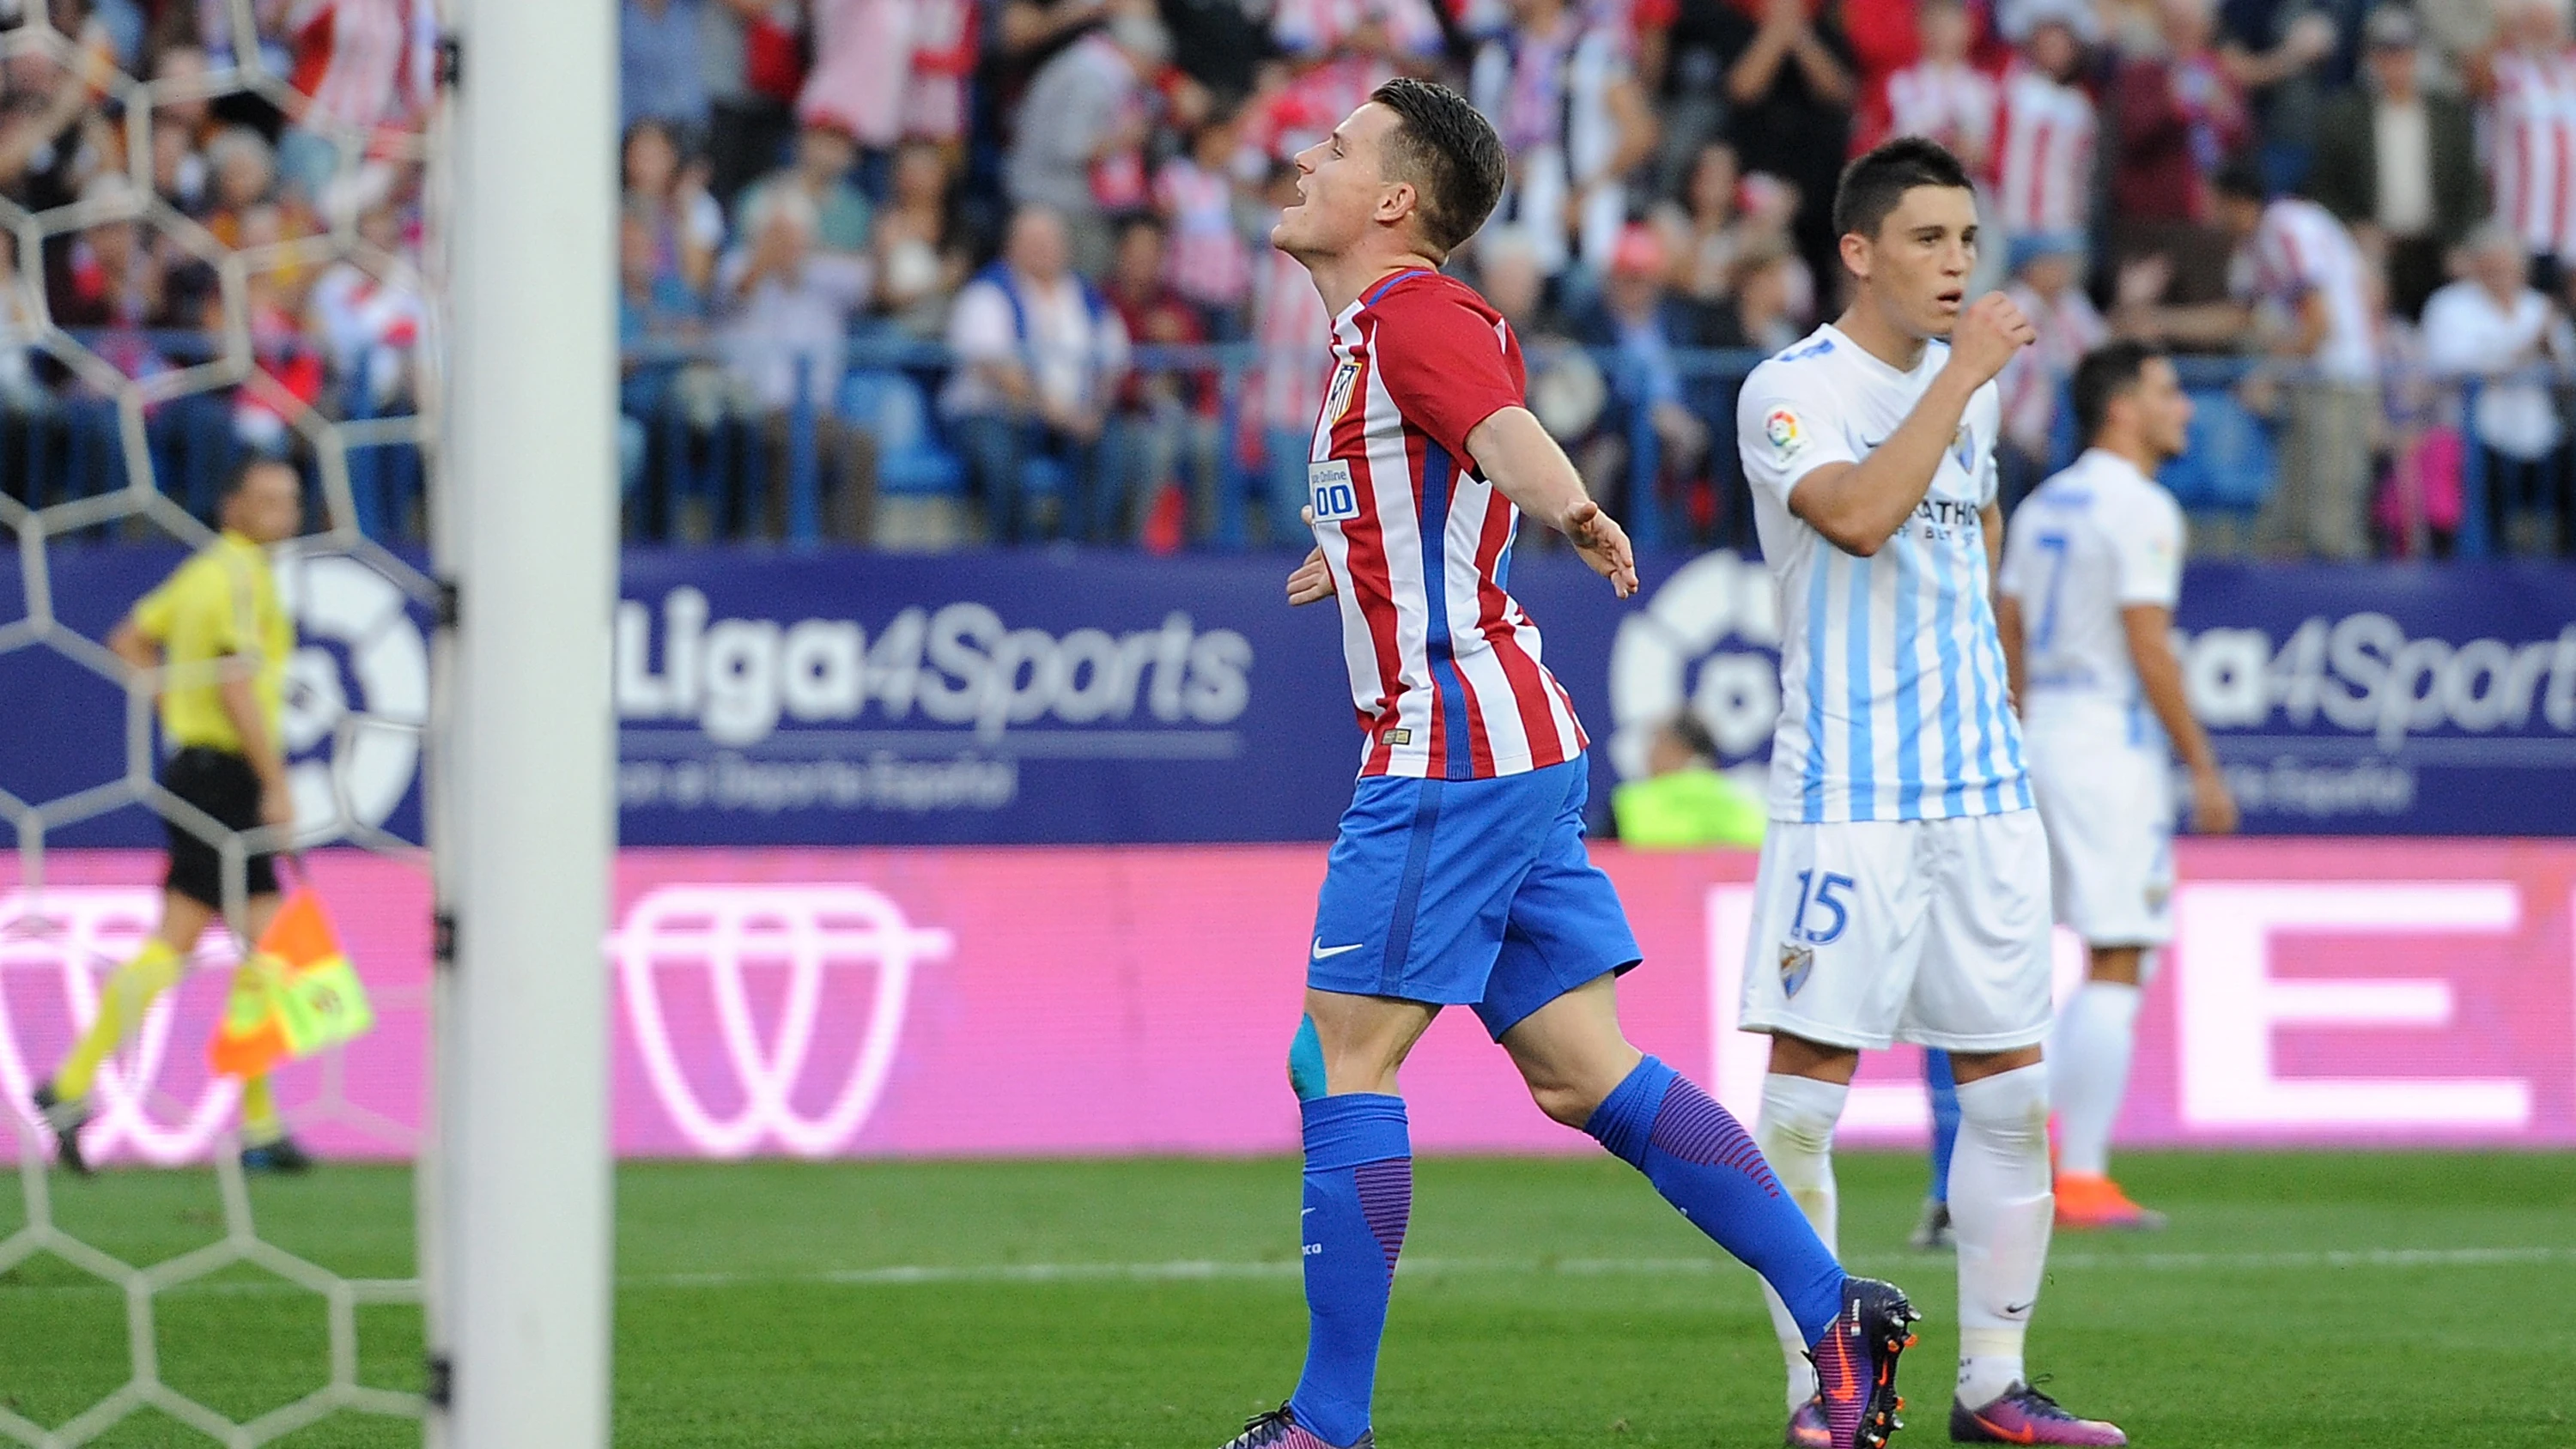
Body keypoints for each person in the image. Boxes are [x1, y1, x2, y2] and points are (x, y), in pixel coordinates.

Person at [1224, 77, 1917, 1449]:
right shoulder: (1374, 334)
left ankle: (1327, 1424)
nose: (1309, 157)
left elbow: (1497, 432)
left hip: (1454, 744)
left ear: (1397, 202)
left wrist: (1577, 507)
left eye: (1342, 147)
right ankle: (1837, 1307)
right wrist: (1357, 553)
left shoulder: (1415, 311)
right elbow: (1436, 481)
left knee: (1342, 1059)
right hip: (1511, 739)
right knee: (1579, 1072)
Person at [1731, 136, 2128, 1445]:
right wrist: (1960, 379)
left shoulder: (1979, 404)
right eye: (1928, 240)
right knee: (1803, 1106)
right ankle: (1821, 1388)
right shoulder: (1792, 389)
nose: (1958, 264)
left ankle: (1992, 1388)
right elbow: (1854, 515)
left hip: (1983, 796)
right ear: (1858, 251)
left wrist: (2000, 709)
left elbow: (1980, 543)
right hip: (1850, 794)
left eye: (1969, 240)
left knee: (2011, 1097)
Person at [1996, 340, 2239, 1230]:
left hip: (2042, 733)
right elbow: (2148, 640)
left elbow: (2006, 623)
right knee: (2120, 949)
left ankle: (2017, 1152)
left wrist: (2015, 729)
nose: (2187, 406)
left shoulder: (2044, 500)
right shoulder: (2141, 506)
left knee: (2046, 955)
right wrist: (2202, 765)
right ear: (2123, 407)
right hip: (2106, 737)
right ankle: (2083, 1172)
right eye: (2171, 387)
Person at [33, 459, 315, 1176]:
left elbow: (128, 638)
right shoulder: (242, 576)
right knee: (262, 946)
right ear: (234, 508)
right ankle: (251, 1126)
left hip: (196, 769)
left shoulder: (200, 574)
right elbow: (236, 684)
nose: (285, 514)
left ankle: (79, 1089)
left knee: (231, 941)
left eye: (290, 501)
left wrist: (172, 709)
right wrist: (275, 785)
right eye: (269, 502)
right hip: (225, 776)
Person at [941, 203, 1129, 543]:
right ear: (1010, 246)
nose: (1043, 249)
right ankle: (1017, 558)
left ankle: (1082, 551)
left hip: (1072, 416)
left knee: (1114, 445)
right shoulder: (987, 293)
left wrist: (1096, 410)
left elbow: (1112, 362)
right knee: (999, 454)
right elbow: (996, 369)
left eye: (1050, 240)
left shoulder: (1087, 297)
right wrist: (1060, 414)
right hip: (993, 413)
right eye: (1032, 240)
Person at [2306, 6, 2481, 321]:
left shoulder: (2448, 114)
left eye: (2403, 53)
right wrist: (2354, 226)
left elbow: (2470, 184)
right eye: (2385, 54)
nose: (2395, 64)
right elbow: (2325, 186)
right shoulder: (2345, 116)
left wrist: (2459, 240)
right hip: (2376, 250)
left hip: (2437, 248)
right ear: (2370, 59)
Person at [1611, 713, 1768, 847]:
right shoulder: (1746, 802)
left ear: (1678, 748)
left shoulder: (1630, 804)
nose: (1648, 754)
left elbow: (1595, 854)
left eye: (1656, 742)